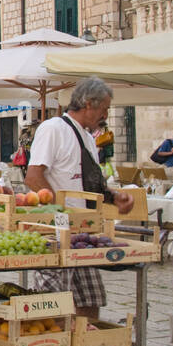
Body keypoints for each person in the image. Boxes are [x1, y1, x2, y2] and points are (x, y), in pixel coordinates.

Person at [24, 77, 135, 320]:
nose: (105, 114)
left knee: (90, 298)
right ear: (88, 103)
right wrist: (59, 213)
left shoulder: (87, 137)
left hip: (83, 232)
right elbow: (33, 177)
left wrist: (115, 198)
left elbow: (90, 183)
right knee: (54, 303)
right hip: (57, 230)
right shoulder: (54, 128)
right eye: (104, 108)